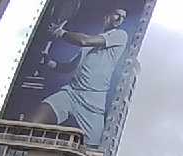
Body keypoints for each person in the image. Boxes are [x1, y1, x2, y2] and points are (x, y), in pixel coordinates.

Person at [25, 8, 129, 146]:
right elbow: (69, 67)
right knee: (30, 125)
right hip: (71, 93)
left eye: (123, 17)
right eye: (117, 14)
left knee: (92, 152)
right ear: (107, 15)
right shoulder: (90, 43)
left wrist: (60, 32)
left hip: (94, 103)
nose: (120, 19)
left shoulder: (120, 35)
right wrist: (49, 63)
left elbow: (84, 40)